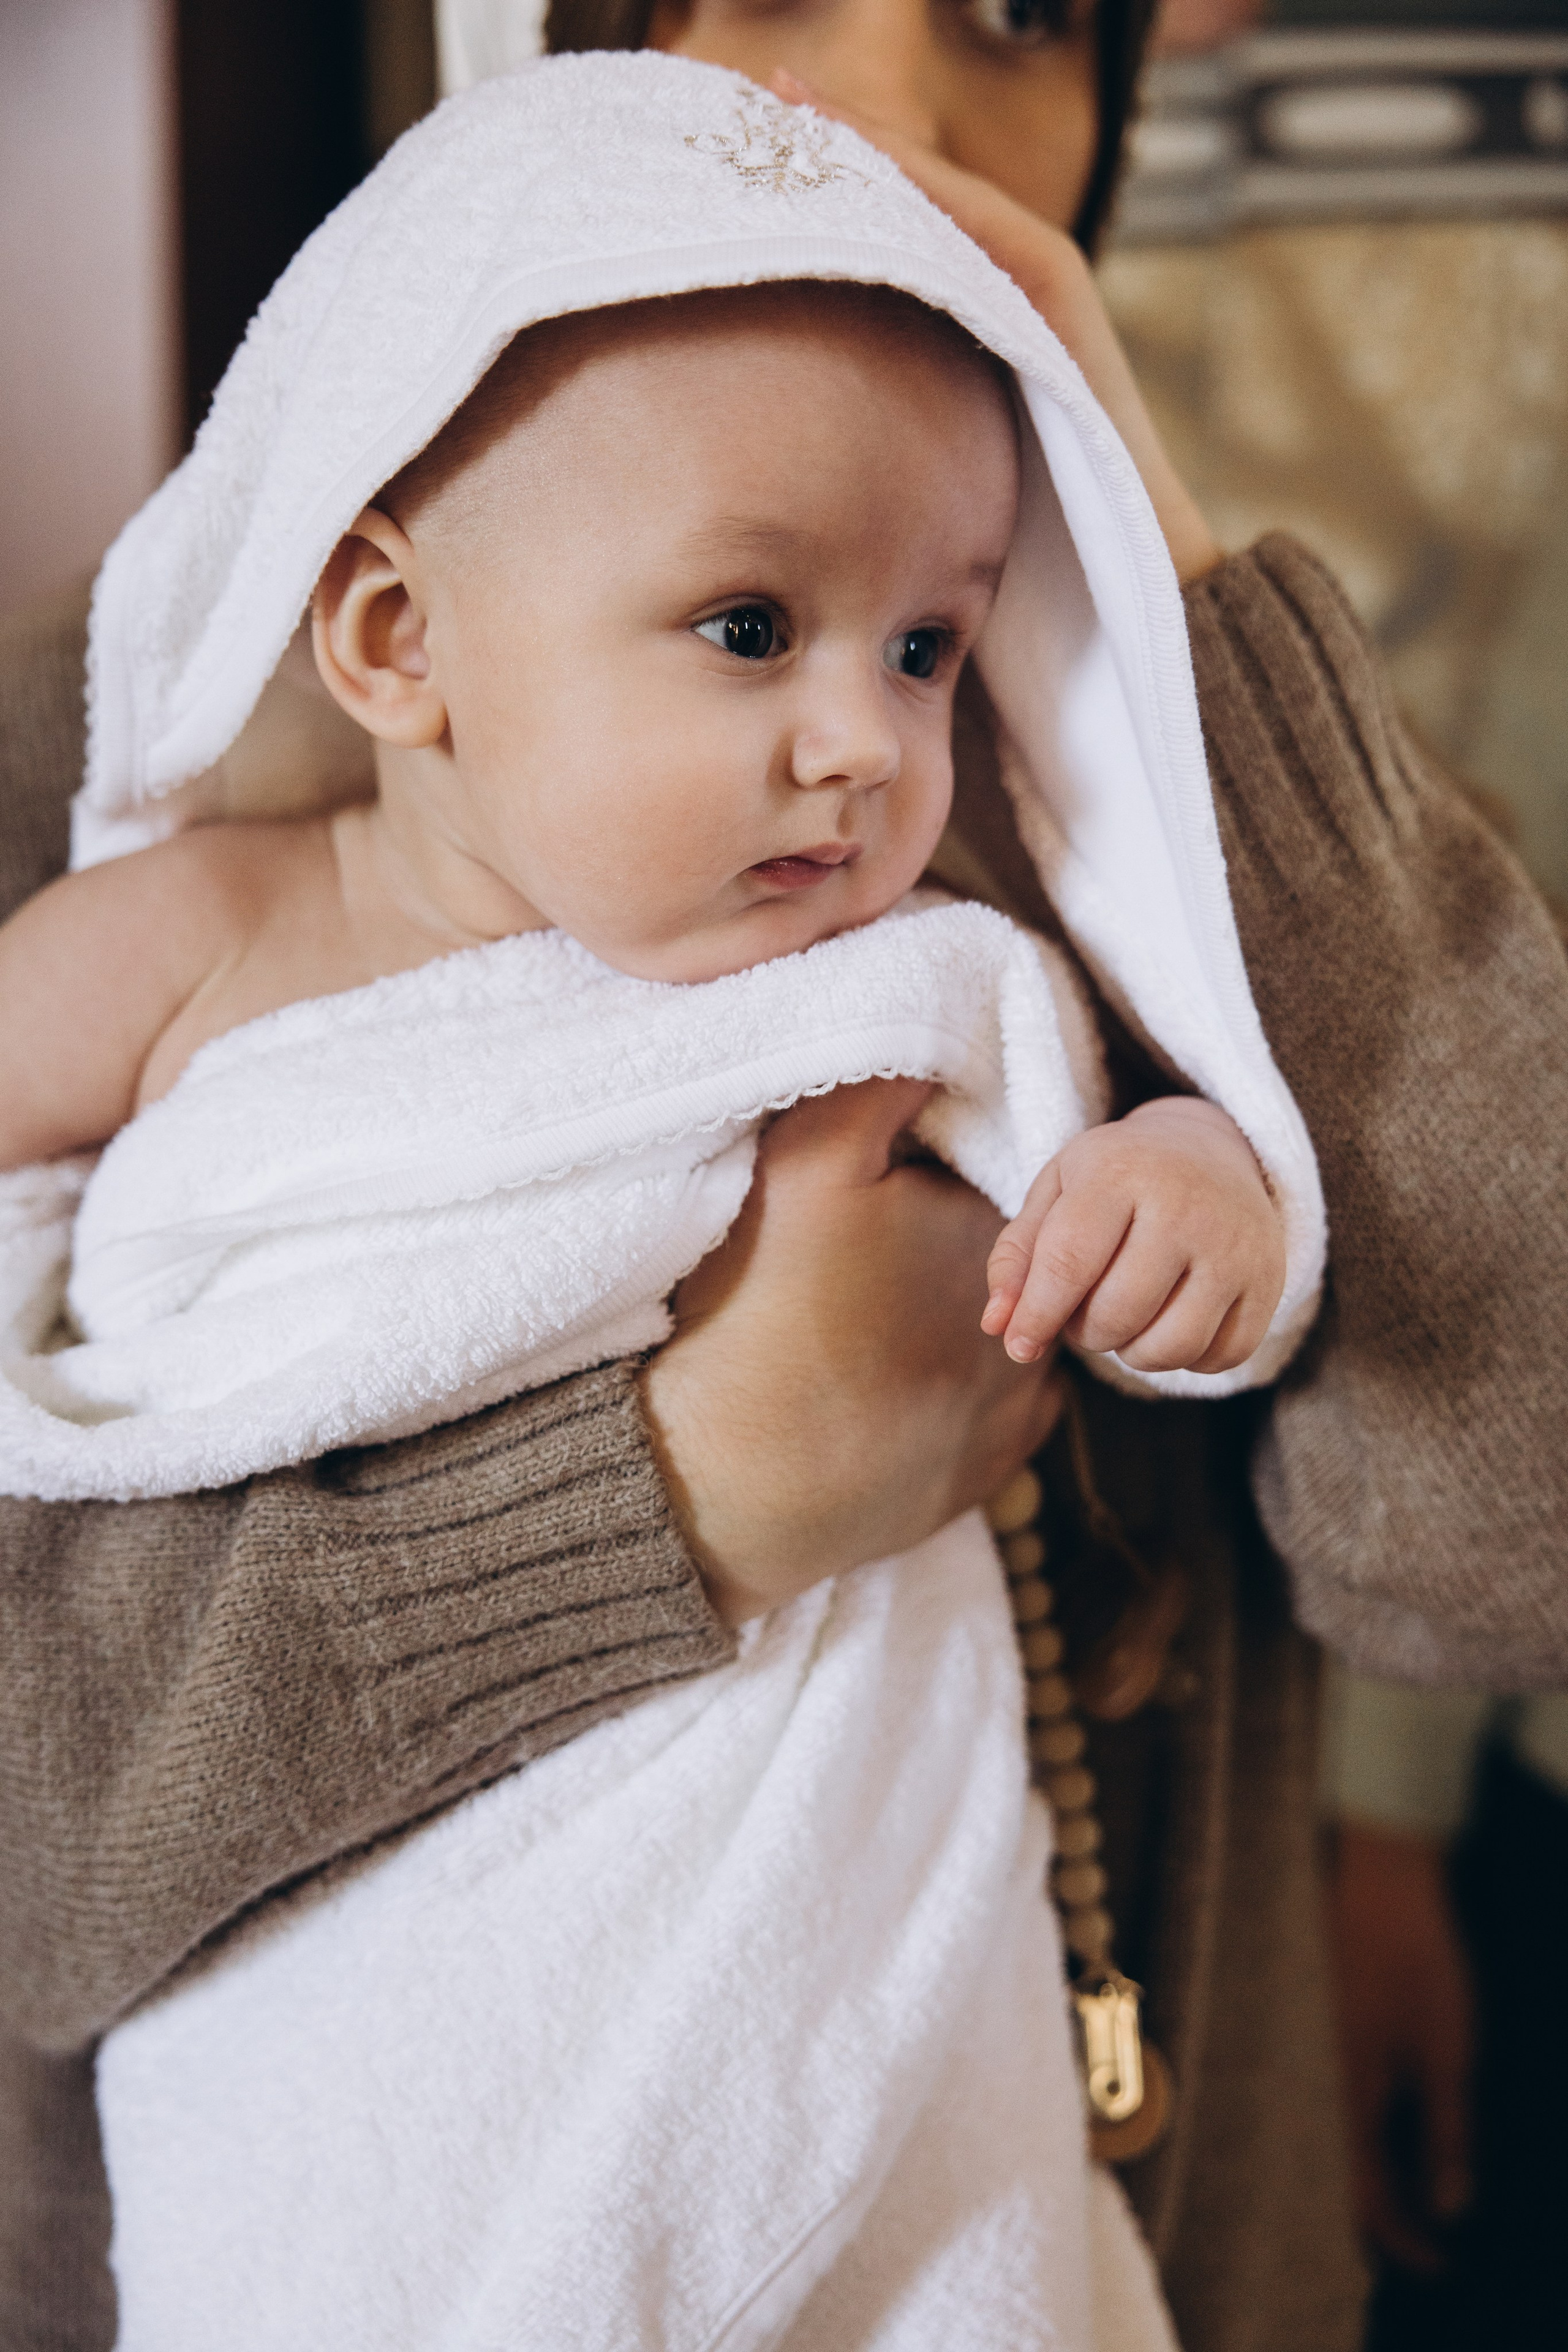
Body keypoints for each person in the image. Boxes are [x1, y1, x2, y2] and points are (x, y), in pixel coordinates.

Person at [2, 2, 1565, 2348]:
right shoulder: (131, 800)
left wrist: (1169, 595)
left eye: (1018, 17)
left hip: (1030, 2197)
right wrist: (686, 1484)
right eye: (749, 626)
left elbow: (1514, 1544)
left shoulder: (1216, 853)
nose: (871, 110)